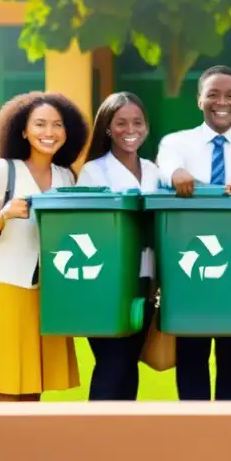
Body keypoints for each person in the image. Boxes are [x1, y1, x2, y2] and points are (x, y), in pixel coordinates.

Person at [0, 92, 89, 401]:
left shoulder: (66, 176)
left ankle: (26, 450)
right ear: (23, 131)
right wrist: (5, 214)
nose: (49, 132)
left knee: (34, 385)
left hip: (46, 290)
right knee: (5, 383)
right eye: (40, 124)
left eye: (57, 125)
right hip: (4, 286)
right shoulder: (2, 170)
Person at [155, 65, 231, 401]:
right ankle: (194, 435)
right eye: (214, 94)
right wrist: (176, 173)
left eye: (230, 95)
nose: (222, 102)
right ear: (199, 100)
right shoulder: (177, 142)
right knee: (191, 356)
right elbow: (165, 167)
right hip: (188, 268)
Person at [76, 91, 160, 401]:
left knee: (129, 364)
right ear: (108, 129)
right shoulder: (93, 171)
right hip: (104, 284)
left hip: (144, 283)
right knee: (112, 363)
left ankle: (123, 437)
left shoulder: (153, 171)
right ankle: (97, 438)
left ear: (147, 127)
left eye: (137, 122)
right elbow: (87, 230)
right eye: (121, 123)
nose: (130, 129)